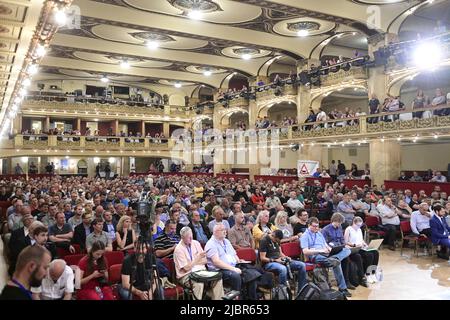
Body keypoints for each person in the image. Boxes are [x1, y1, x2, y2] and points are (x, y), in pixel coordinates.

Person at [300, 217, 352, 297]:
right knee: (336, 263)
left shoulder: (319, 233)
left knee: (347, 250)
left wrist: (329, 249)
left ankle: (335, 258)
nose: (317, 228)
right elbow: (305, 251)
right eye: (314, 226)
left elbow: (325, 244)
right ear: (309, 225)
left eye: (317, 226)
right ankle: (342, 288)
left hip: (326, 254)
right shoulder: (305, 236)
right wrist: (320, 251)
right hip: (316, 255)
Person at [205, 224, 258, 300]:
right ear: (216, 232)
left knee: (252, 274)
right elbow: (216, 262)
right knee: (235, 276)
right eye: (222, 230)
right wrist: (232, 269)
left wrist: (239, 260)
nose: (225, 231)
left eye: (225, 229)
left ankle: (251, 298)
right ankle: (237, 298)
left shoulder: (226, 241)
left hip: (233, 266)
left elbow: (234, 254)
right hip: (219, 270)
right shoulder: (211, 244)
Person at [174, 227, 224, 300]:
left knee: (217, 280)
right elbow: (186, 268)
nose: (191, 239)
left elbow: (205, 260)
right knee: (199, 284)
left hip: (201, 271)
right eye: (188, 238)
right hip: (186, 275)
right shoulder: (178, 249)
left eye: (192, 236)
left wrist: (193, 263)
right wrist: (197, 259)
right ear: (182, 237)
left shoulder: (196, 243)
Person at [344, 217, 380, 284]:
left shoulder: (359, 230)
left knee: (375, 252)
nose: (359, 227)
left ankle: (373, 273)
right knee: (369, 255)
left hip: (361, 247)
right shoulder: (348, 229)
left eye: (360, 225)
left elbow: (361, 240)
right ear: (353, 223)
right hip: (353, 248)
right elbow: (345, 242)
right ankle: (367, 274)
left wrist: (365, 244)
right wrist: (354, 245)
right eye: (357, 225)